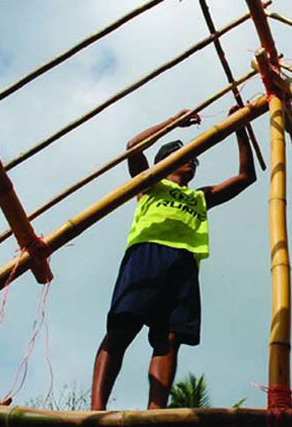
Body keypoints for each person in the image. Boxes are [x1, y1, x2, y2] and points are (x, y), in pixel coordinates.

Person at [91, 106, 256, 409]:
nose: (193, 163)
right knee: (123, 328)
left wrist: (240, 128)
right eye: (188, 157)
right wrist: (174, 123)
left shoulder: (199, 197)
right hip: (148, 254)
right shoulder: (150, 185)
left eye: (196, 160)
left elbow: (246, 177)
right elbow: (133, 147)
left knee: (168, 339)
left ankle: (155, 412)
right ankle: (96, 410)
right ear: (166, 162)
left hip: (184, 264)